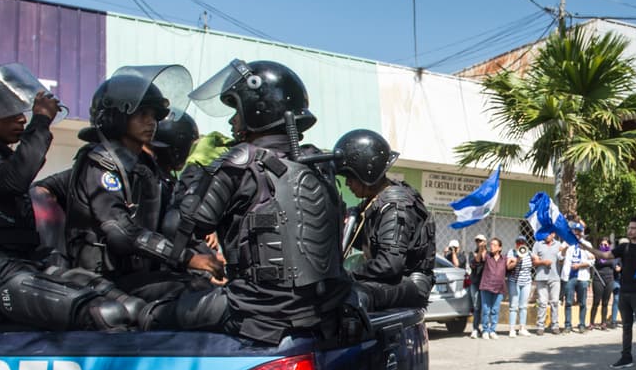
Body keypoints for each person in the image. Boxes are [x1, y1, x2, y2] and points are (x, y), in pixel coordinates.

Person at [147, 59, 351, 343]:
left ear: (258, 108)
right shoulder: (318, 163)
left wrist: (195, 171)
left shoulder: (240, 162)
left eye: (236, 111)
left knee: (146, 314)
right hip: (325, 308)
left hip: (258, 311)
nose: (232, 121)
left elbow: (180, 224)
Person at [0, 63, 138, 330]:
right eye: (9, 111)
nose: (21, 118)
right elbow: (9, 182)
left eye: (22, 111)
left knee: (130, 307)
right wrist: (40, 122)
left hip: (18, 262)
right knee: (101, 312)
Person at [59, 66, 222, 298]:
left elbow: (169, 222)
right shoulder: (100, 163)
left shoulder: (145, 167)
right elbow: (120, 232)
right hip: (100, 279)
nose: (151, 122)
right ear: (118, 116)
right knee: (195, 292)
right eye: (142, 114)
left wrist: (207, 255)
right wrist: (188, 258)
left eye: (154, 116)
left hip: (135, 275)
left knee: (205, 286)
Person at [334, 129, 436, 314]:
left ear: (366, 172)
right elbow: (373, 242)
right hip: (394, 282)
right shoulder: (376, 201)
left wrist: (349, 275)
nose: (348, 183)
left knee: (351, 297)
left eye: (350, 177)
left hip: (409, 284)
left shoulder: (395, 204)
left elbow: (389, 264)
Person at [588, 214, 636, 369]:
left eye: (633, 228)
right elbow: (604, 255)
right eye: (629, 228)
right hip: (624, 291)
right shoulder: (624, 247)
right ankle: (626, 357)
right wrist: (585, 246)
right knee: (626, 326)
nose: (629, 231)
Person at [562, 223, 592, 332]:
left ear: (582, 232)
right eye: (575, 231)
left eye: (579, 231)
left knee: (583, 302)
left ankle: (582, 324)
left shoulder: (587, 244)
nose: (577, 233)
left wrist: (580, 265)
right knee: (568, 302)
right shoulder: (566, 243)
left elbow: (592, 261)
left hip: (582, 276)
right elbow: (559, 257)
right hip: (569, 276)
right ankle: (567, 325)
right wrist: (564, 249)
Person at [531, 231, 561, 334]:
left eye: (548, 234)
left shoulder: (558, 244)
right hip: (541, 277)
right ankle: (540, 327)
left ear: (553, 234)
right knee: (542, 303)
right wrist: (543, 262)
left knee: (555, 302)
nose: (546, 236)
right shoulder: (538, 243)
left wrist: (564, 251)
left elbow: (562, 259)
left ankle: (555, 326)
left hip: (555, 277)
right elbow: (534, 262)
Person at [478, 237, 507, 339]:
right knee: (486, 310)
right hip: (486, 286)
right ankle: (485, 330)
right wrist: (482, 247)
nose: (492, 246)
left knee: (495, 310)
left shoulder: (504, 259)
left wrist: (517, 260)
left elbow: (511, 266)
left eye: (495, 245)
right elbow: (480, 257)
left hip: (499, 288)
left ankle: (492, 330)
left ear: (500, 248)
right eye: (491, 244)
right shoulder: (487, 256)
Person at [506, 235, 533, 336]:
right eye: (518, 242)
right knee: (513, 306)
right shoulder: (511, 252)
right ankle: (512, 329)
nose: (520, 244)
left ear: (525, 244)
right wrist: (518, 259)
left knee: (523, 306)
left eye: (522, 242)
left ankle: (522, 328)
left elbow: (535, 262)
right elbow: (508, 267)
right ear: (516, 244)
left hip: (526, 282)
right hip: (514, 281)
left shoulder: (529, 253)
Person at [590, 235, 615, 329]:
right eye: (601, 244)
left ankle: (603, 323)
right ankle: (592, 323)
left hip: (609, 279)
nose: (603, 246)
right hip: (598, 278)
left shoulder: (612, 254)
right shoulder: (597, 254)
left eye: (605, 244)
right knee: (596, 301)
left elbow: (614, 263)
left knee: (605, 302)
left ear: (609, 245)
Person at [466, 233, 487, 338]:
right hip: (475, 282)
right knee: (476, 306)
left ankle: (485, 329)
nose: (479, 243)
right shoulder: (472, 254)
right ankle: (475, 328)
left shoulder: (488, 254)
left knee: (485, 307)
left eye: (481, 241)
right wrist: (480, 250)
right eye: (477, 241)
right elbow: (475, 262)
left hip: (486, 283)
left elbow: (486, 260)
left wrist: (483, 250)